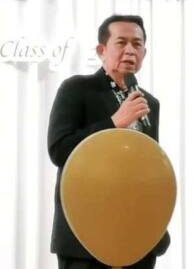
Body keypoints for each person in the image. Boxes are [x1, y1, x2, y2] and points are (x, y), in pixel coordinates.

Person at [47, 15, 170, 269]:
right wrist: (114, 122)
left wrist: (158, 224)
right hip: (86, 235)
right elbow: (59, 150)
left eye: (137, 44)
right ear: (101, 50)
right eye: (121, 42)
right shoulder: (77, 89)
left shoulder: (149, 103)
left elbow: (150, 166)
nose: (130, 50)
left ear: (144, 53)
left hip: (137, 237)